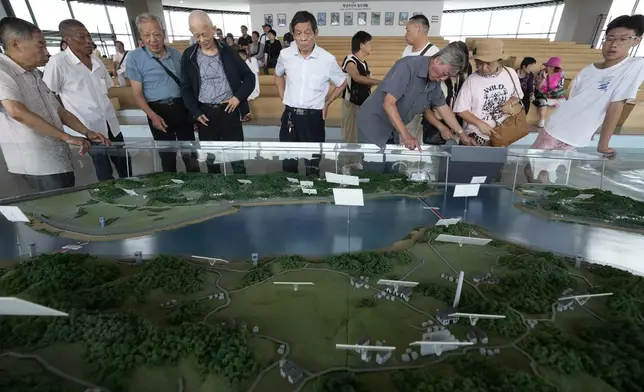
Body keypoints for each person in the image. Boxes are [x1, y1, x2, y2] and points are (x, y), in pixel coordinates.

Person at [0, 17, 104, 192]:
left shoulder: (34, 73)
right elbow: (16, 111)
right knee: (54, 209)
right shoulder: (3, 71)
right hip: (37, 162)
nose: (46, 52)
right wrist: (66, 137)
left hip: (58, 156)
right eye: (40, 46)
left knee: (68, 201)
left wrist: (86, 132)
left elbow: (58, 109)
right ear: (16, 44)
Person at [529, 14, 644, 162]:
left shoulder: (634, 66)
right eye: (610, 38)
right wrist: (603, 144)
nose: (614, 44)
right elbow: (574, 100)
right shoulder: (589, 69)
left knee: (543, 170)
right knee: (533, 168)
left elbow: (616, 103)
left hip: (575, 133)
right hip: (558, 127)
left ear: (637, 40)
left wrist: (596, 135)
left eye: (623, 39)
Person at [44, 19, 130, 182]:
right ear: (67, 39)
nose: (88, 41)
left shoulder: (96, 60)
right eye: (81, 37)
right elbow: (49, 95)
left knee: (124, 163)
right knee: (104, 170)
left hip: (110, 123)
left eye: (88, 36)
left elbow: (107, 89)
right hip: (89, 128)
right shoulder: (58, 63)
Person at [357, 42, 474, 150]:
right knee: (373, 165)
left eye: (447, 77)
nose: (443, 79)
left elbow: (443, 108)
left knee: (391, 165)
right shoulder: (407, 66)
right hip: (373, 123)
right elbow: (388, 104)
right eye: (445, 74)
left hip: (393, 127)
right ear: (438, 60)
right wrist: (406, 135)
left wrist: (462, 135)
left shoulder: (434, 81)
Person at [182, 11, 255, 174]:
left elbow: (249, 77)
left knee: (237, 160)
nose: (202, 40)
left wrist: (237, 98)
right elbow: (185, 88)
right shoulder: (189, 56)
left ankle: (241, 191)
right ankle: (217, 194)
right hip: (205, 115)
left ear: (213, 29)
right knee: (212, 161)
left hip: (229, 111)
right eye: (197, 36)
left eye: (205, 34)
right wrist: (195, 111)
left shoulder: (228, 52)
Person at [126, 12, 200, 173]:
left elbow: (188, 85)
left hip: (181, 108)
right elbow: (137, 93)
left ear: (164, 33)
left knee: (190, 154)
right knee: (167, 156)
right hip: (157, 111)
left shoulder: (176, 55)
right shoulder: (134, 58)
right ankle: (171, 190)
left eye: (156, 34)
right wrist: (152, 116)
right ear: (141, 36)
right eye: (147, 35)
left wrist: (193, 111)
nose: (153, 39)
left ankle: (198, 187)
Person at [275, 11, 346, 176]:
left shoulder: (327, 59)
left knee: (312, 165)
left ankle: (311, 197)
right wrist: (282, 95)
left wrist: (327, 102)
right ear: (293, 35)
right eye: (298, 33)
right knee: (288, 164)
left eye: (308, 33)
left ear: (316, 33)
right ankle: (291, 194)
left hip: (314, 118)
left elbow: (342, 83)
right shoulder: (285, 55)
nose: (303, 38)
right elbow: (278, 75)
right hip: (290, 117)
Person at [453, 39, 523, 147]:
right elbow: (461, 110)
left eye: (488, 63)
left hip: (503, 133)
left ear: (498, 60)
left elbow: (517, 96)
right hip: (477, 135)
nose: (484, 68)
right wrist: (480, 124)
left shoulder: (510, 73)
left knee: (497, 162)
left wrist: (510, 103)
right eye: (479, 63)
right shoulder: (472, 80)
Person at [393, 14, 441, 145]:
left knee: (410, 145)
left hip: (417, 109)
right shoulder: (408, 49)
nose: (405, 34)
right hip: (401, 105)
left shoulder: (434, 54)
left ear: (418, 29)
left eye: (408, 30)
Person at [340, 31, 381, 170]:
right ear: (362, 45)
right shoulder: (350, 60)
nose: (371, 47)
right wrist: (380, 82)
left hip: (362, 105)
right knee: (350, 137)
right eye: (369, 44)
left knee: (359, 137)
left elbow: (366, 82)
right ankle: (348, 166)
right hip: (351, 105)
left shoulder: (364, 63)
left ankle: (356, 164)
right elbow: (357, 78)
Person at [422, 40, 472, 145]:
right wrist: (441, 127)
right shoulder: (435, 75)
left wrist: (461, 133)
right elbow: (425, 107)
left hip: (455, 122)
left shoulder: (465, 73)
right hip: (435, 124)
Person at [534, 57, 566, 128]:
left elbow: (560, 86)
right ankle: (542, 120)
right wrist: (543, 78)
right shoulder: (542, 72)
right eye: (547, 65)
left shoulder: (561, 74)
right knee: (542, 101)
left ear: (555, 67)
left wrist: (554, 91)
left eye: (551, 66)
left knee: (564, 101)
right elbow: (537, 87)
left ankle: (558, 120)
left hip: (553, 94)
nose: (548, 67)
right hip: (542, 94)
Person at [238, 48, 260, 122]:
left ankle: (246, 115)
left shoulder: (252, 60)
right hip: (247, 87)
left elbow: (255, 74)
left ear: (245, 56)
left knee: (240, 95)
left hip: (254, 88)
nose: (239, 59)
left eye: (240, 56)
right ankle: (244, 115)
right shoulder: (241, 65)